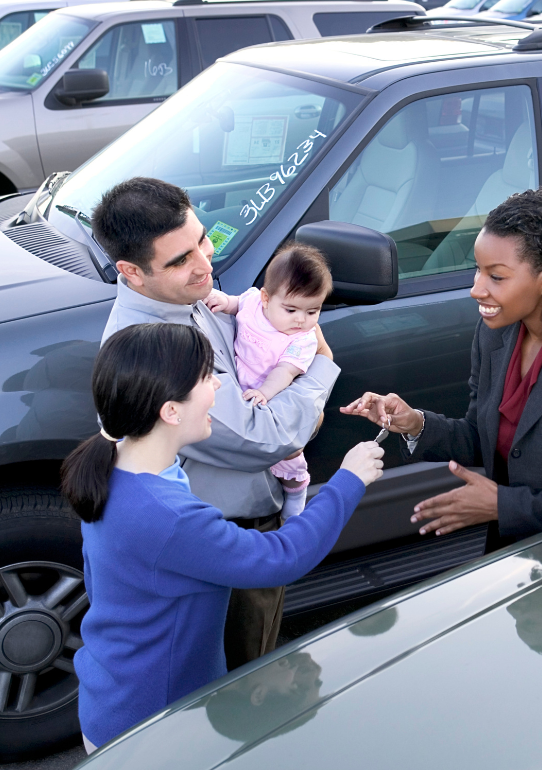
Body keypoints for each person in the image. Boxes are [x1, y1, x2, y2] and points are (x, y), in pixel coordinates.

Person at [61, 322, 384, 753]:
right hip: (152, 726)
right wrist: (348, 480)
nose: (217, 385)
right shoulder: (165, 516)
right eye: (205, 378)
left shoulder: (122, 464)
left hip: (118, 696)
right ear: (171, 411)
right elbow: (280, 557)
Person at [92, 177, 338, 670]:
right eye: (179, 259)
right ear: (131, 272)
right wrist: (320, 365)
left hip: (231, 533)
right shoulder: (156, 347)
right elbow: (265, 437)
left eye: (202, 240)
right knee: (240, 695)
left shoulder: (188, 298)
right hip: (224, 549)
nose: (205, 265)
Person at [341, 188, 542, 551]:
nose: (476, 289)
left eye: (497, 276)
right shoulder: (496, 335)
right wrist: (416, 423)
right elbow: (483, 437)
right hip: (510, 556)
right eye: (478, 270)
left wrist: (502, 505)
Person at [204, 243, 333, 518]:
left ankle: (296, 490)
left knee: (290, 457)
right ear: (265, 298)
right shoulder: (252, 302)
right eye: (292, 310)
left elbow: (285, 372)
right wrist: (224, 302)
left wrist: (265, 392)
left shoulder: (302, 339)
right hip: (245, 391)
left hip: (273, 397)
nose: (301, 320)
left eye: (313, 311)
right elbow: (237, 304)